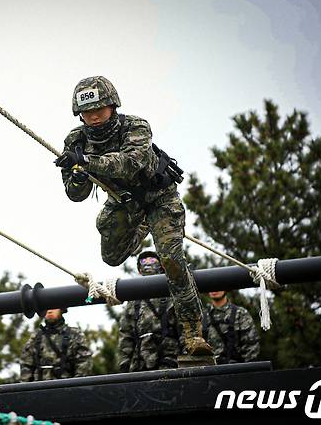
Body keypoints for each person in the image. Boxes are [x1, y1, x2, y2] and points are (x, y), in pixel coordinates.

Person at [54, 76, 212, 358]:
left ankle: (192, 331)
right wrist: (77, 175)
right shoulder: (75, 140)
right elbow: (75, 195)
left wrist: (87, 162)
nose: (94, 117)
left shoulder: (135, 126)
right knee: (111, 257)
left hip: (159, 200)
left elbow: (129, 164)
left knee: (171, 260)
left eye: (99, 110)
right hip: (125, 205)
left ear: (113, 106)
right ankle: (139, 229)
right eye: (87, 112)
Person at [118, 250, 181, 372]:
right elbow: (126, 334)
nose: (148, 263)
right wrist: (124, 364)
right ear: (139, 269)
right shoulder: (133, 301)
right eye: (143, 261)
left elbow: (183, 328)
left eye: (152, 260)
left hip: (169, 359)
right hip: (140, 362)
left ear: (161, 266)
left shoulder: (171, 296)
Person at [20, 308, 93, 382]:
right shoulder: (36, 337)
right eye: (46, 308)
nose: (49, 311)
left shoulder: (74, 334)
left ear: (61, 309)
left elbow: (84, 364)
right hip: (39, 388)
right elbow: (26, 365)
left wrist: (75, 387)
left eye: (53, 307)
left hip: (65, 387)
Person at [203, 291, 260, 364]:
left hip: (237, 369)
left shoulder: (240, 313)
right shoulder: (201, 317)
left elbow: (251, 347)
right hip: (209, 371)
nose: (214, 290)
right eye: (210, 286)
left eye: (218, 284)